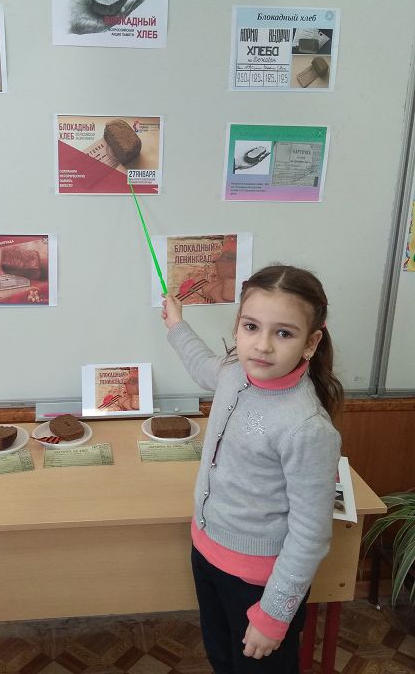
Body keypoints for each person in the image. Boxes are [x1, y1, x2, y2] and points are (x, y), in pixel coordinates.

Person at [161, 264, 343, 673]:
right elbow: (201, 364)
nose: (262, 346)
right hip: (207, 555)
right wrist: (176, 325)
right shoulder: (234, 371)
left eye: (284, 333)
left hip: (259, 584)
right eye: (251, 327)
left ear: (311, 342)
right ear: (238, 326)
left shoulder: (307, 427)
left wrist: (273, 615)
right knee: (222, 658)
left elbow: (310, 534)